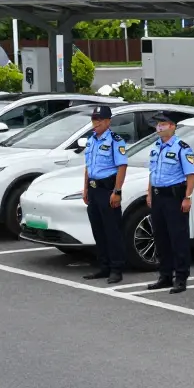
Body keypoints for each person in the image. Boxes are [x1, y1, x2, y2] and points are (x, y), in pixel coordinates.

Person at [145, 112, 194, 294]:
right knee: (160, 237)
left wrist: (188, 197)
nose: (159, 127)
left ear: (173, 126)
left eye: (163, 124)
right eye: (157, 124)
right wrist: (149, 193)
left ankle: (181, 277)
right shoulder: (155, 147)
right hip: (158, 197)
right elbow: (152, 172)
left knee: (178, 238)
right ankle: (165, 275)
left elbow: (191, 174)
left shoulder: (182, 148)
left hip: (175, 197)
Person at [81, 106, 129, 285]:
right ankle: (104, 266)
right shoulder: (91, 140)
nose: (96, 123)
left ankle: (117, 268)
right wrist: (85, 188)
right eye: (94, 120)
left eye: (99, 120)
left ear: (108, 121)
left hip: (107, 190)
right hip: (93, 189)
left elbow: (122, 167)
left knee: (112, 231)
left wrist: (117, 191)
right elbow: (88, 166)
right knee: (98, 230)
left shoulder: (116, 141)